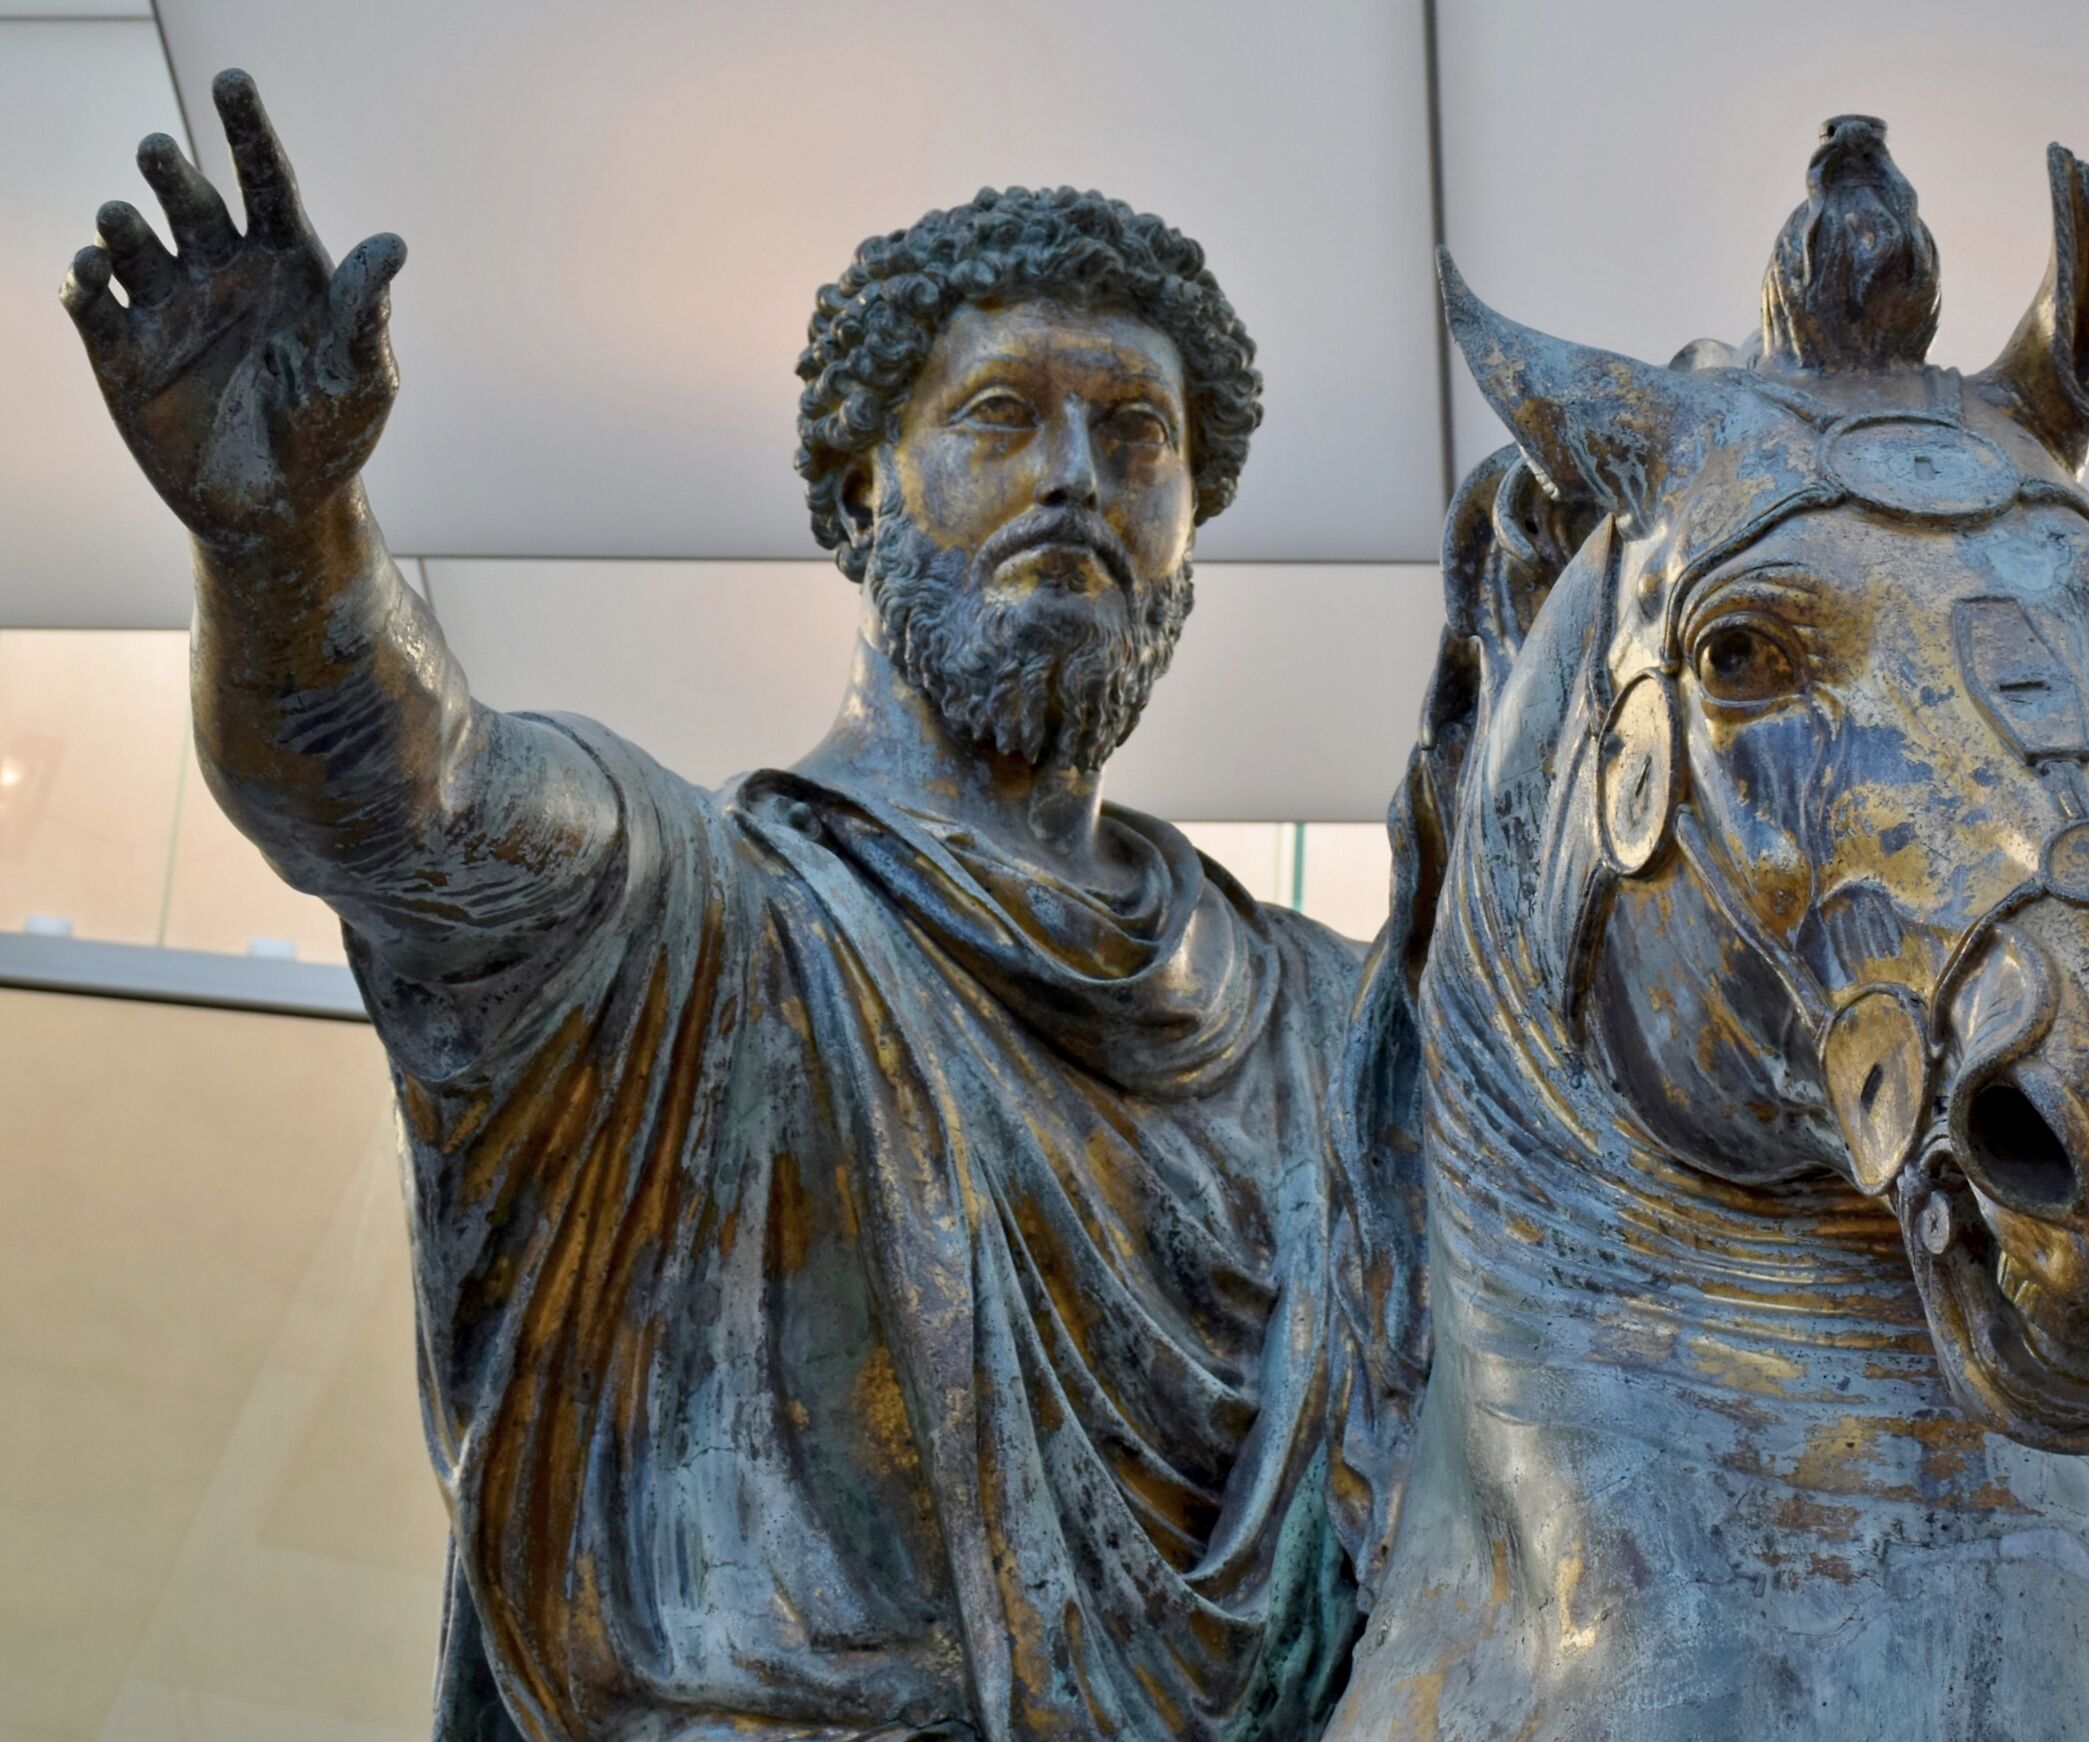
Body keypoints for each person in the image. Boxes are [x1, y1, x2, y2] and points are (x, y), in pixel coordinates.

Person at [65, 68, 1373, 1742]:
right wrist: (280, 544)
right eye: (1001, 417)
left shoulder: (1333, 1026)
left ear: (1192, 530)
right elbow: (403, 795)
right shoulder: (683, 911)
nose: (1074, 477)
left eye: (1137, 437)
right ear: (857, 492)